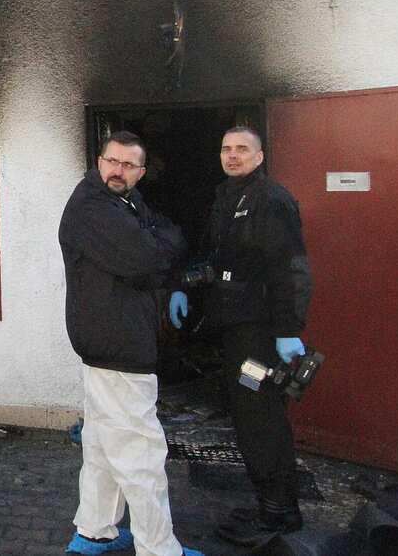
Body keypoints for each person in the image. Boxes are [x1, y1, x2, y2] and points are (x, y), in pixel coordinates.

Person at [58, 131, 203, 556]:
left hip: (108, 338)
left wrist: (156, 246)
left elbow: (167, 235)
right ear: (98, 160)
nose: (117, 171)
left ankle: (94, 530)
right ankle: (159, 548)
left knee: (102, 441)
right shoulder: (92, 207)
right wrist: (157, 248)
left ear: (141, 172)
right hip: (116, 340)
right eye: (112, 161)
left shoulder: (125, 202)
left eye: (128, 165)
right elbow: (144, 256)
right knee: (140, 449)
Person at [169, 126, 313, 547]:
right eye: (226, 149)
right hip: (235, 331)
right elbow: (214, 257)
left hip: (261, 334)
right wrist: (183, 283)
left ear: (260, 155)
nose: (232, 156)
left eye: (241, 149)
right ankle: (268, 502)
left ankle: (280, 511)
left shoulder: (271, 200)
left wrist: (288, 331)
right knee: (248, 417)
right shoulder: (228, 197)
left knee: (260, 418)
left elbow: (293, 269)